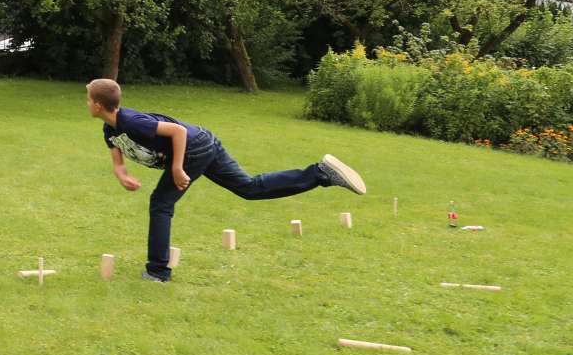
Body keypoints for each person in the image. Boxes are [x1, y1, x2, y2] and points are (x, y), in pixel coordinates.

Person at [87, 77, 365, 282]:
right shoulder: (109, 130)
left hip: (194, 146)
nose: (86, 103)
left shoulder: (133, 122)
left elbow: (177, 132)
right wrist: (122, 175)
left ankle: (157, 271)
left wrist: (176, 167)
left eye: (88, 99)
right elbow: (118, 160)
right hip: (204, 143)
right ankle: (321, 173)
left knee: (161, 203)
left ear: (99, 105)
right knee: (249, 188)